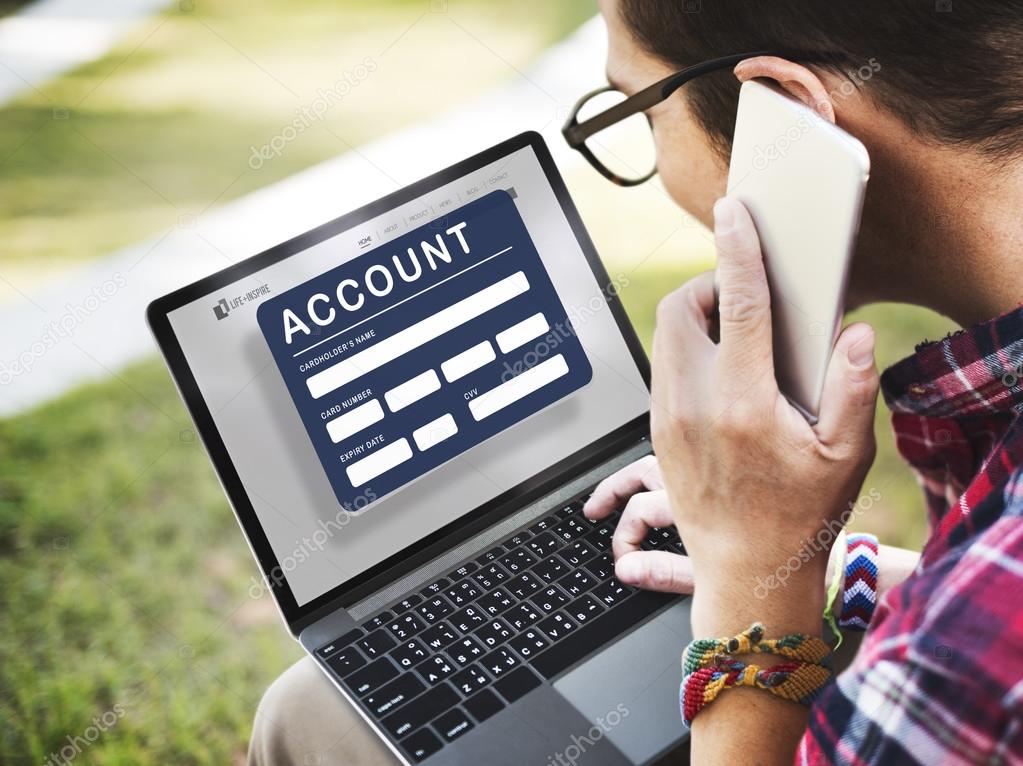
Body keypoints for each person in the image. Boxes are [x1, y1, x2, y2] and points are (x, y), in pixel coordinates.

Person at [249, 1, 1023, 763]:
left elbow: (970, 640)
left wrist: (753, 593)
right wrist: (821, 569)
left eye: (639, 113)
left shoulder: (973, 656)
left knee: (305, 718)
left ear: (788, 122)